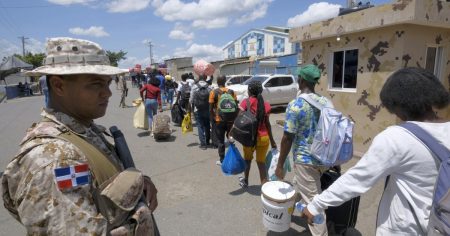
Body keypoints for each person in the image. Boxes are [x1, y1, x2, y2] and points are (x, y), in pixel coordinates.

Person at [1, 37, 158, 235]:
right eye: (95, 84)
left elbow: (100, 183)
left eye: (108, 83)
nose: (107, 93)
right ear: (59, 86)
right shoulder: (56, 160)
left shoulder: (84, 131)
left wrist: (137, 184)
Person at [287, 67, 449, 235]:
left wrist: (316, 205)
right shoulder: (325, 102)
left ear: (398, 105)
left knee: (311, 194)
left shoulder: (397, 137)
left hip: (407, 229)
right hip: (442, 225)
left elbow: (358, 178)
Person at [274, 64, 331, 236]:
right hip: (323, 158)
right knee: (298, 187)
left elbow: (287, 138)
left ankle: (320, 232)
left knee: (315, 205)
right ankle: (286, 213)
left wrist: (280, 164)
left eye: (299, 77)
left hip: (305, 160)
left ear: (303, 80)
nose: (297, 80)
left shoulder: (296, 104)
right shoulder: (325, 102)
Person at [238, 81, 277, 187]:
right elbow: (268, 124)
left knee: (247, 160)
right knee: (261, 163)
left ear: (249, 90)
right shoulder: (266, 105)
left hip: (249, 138)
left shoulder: (245, 102)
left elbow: (239, 120)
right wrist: (273, 141)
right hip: (264, 138)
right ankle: (264, 186)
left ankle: (245, 181)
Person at [209, 75, 237, 165]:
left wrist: (212, 119)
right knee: (231, 139)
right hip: (230, 120)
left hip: (219, 120)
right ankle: (233, 158)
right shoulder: (232, 92)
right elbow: (236, 106)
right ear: (225, 81)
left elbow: (210, 108)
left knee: (220, 141)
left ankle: (222, 160)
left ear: (217, 82)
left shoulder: (214, 92)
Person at [189, 75, 211, 150]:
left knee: (200, 126)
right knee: (207, 125)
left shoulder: (195, 86)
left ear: (199, 79)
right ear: (205, 78)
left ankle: (203, 144)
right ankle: (207, 141)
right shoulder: (209, 86)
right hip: (207, 109)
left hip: (197, 109)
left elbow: (191, 100)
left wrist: (190, 109)